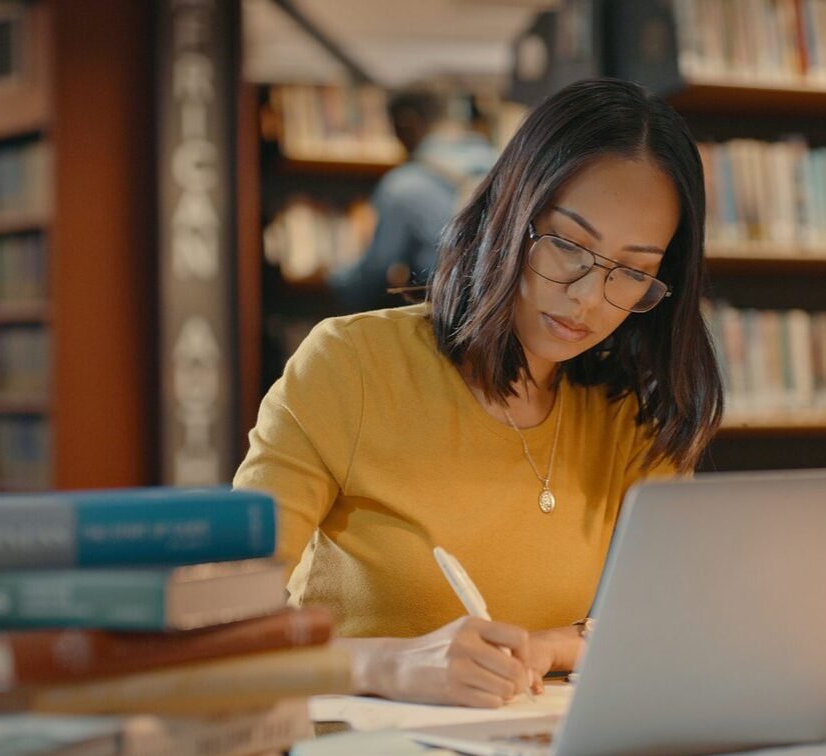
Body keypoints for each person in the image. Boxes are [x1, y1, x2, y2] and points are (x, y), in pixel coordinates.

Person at [234, 78, 723, 708]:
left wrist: (549, 647)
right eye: (569, 246)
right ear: (508, 212)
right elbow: (224, 622)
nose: (588, 297)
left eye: (632, 272)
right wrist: (389, 664)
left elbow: (663, 624)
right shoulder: (352, 365)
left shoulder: (634, 414)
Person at [329, 82, 498, 311]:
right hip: (502, 316)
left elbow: (373, 276)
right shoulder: (505, 164)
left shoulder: (404, 186)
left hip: (447, 319)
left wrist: (335, 279)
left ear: (405, 121)